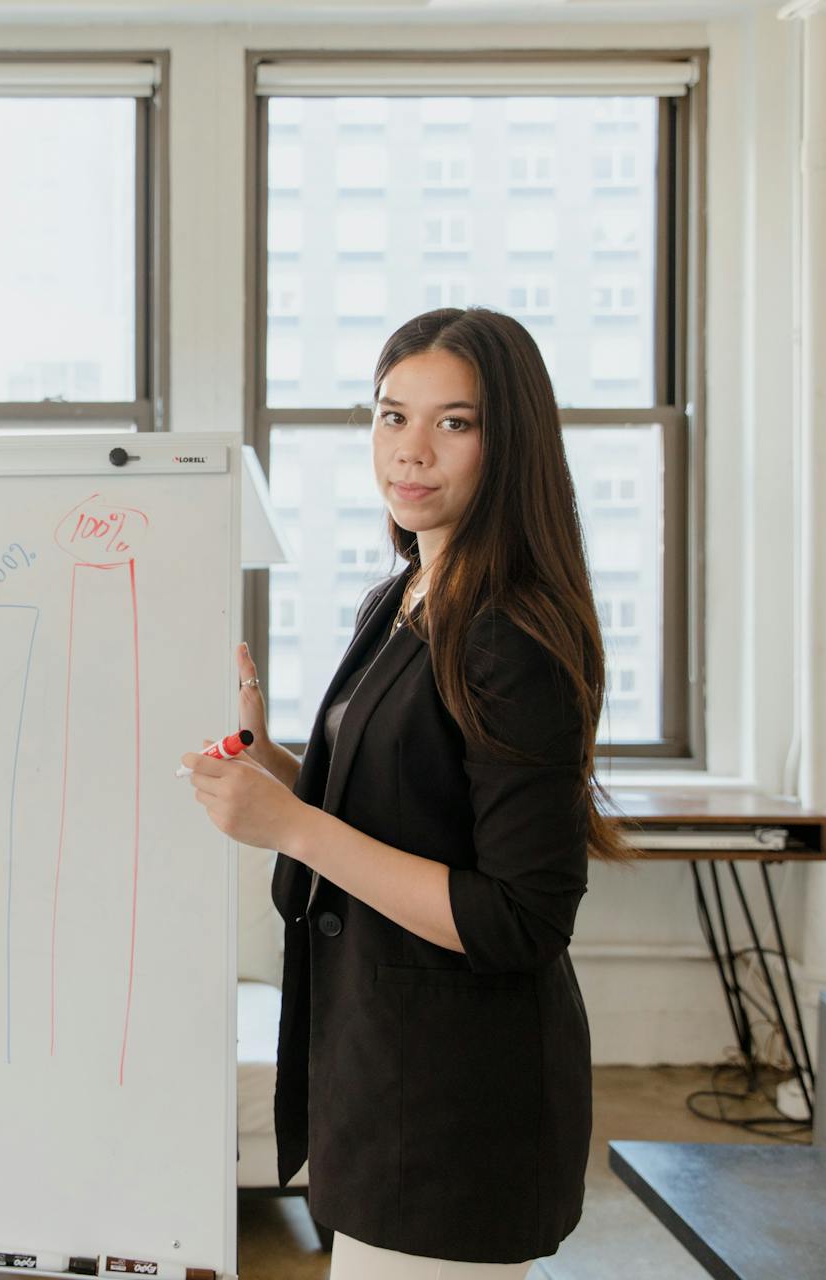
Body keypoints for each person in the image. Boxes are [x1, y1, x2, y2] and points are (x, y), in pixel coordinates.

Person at [182, 307, 636, 1278]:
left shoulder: (513, 632)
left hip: (456, 1105)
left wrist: (294, 827)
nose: (411, 450)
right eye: (391, 415)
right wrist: (278, 766)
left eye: (454, 422)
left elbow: (519, 914)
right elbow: (405, 812)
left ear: (507, 442)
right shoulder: (401, 595)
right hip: (379, 1068)